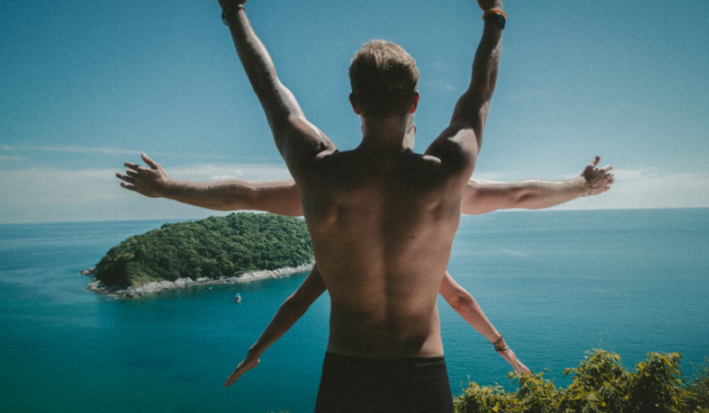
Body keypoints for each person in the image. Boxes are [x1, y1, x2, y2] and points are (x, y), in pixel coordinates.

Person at [167, 0, 609, 409]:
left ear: (355, 103)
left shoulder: (320, 175)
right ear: (415, 102)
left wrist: (234, 10)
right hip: (422, 374)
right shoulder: (446, 174)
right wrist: (494, 17)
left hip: (347, 371)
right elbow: (485, 105)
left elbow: (267, 99)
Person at [116, 151, 614, 380]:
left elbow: (249, 202)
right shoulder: (425, 233)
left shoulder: (338, 238)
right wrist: (582, 185)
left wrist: (255, 350)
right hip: (420, 370)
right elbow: (464, 294)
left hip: (348, 371)